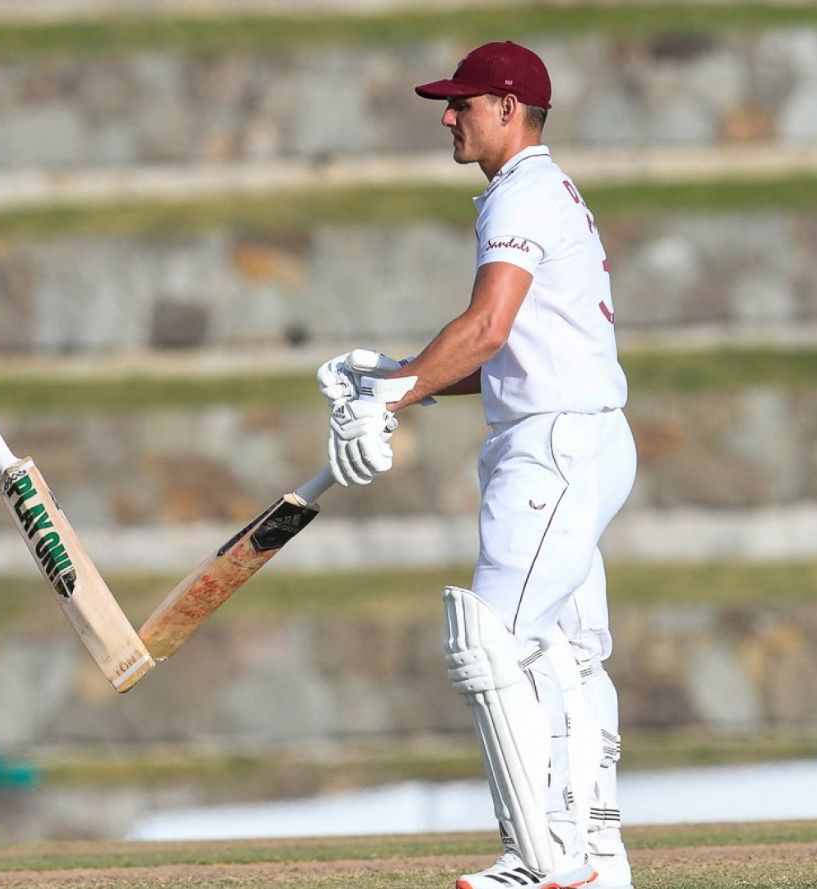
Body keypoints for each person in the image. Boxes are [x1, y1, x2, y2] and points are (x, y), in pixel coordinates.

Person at [315, 41, 635, 889]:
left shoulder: (520, 196)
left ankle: (542, 860)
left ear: (506, 107)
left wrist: (382, 401)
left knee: (490, 646)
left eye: (461, 103)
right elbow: (514, 354)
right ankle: (594, 858)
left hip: (552, 446)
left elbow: (486, 330)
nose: (447, 117)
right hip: (580, 435)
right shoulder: (542, 191)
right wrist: (392, 379)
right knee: (564, 652)